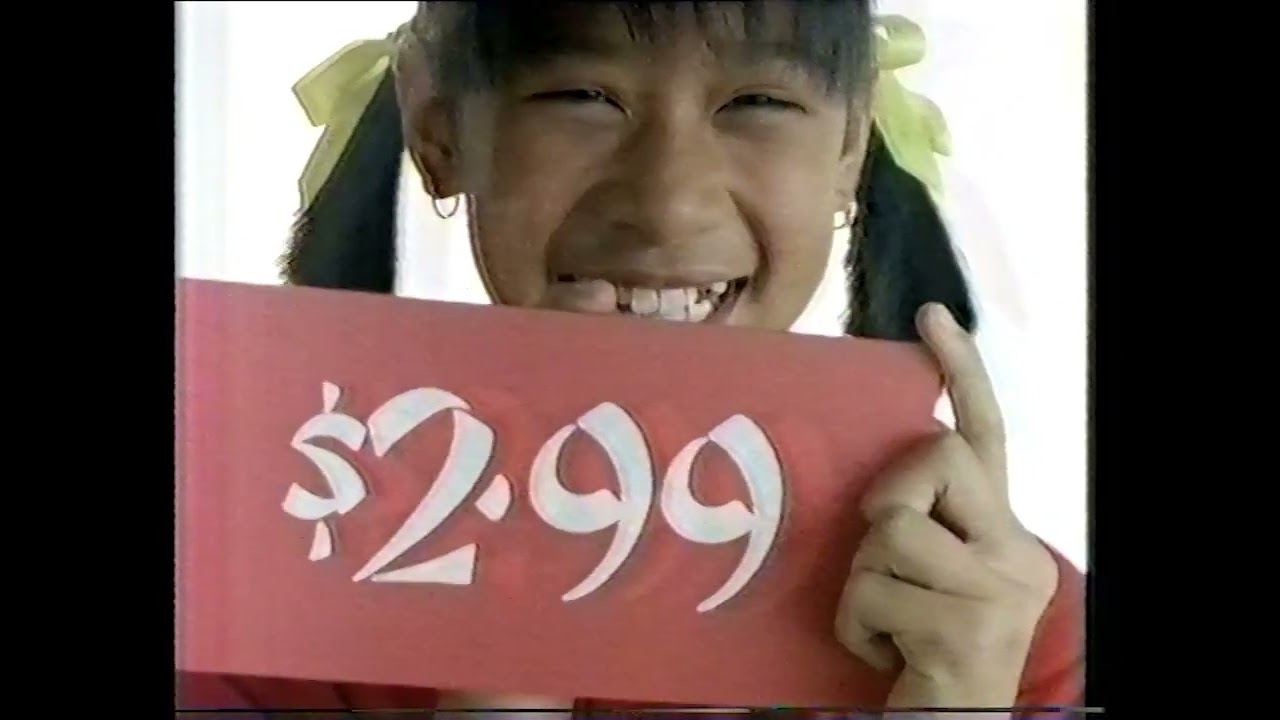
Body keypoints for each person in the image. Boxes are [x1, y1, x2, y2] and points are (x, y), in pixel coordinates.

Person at [179, 2, 1084, 717]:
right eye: (584, 96)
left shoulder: (1006, 627)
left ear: (849, 147)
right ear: (439, 129)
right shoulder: (256, 597)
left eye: (758, 103)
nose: (667, 203)